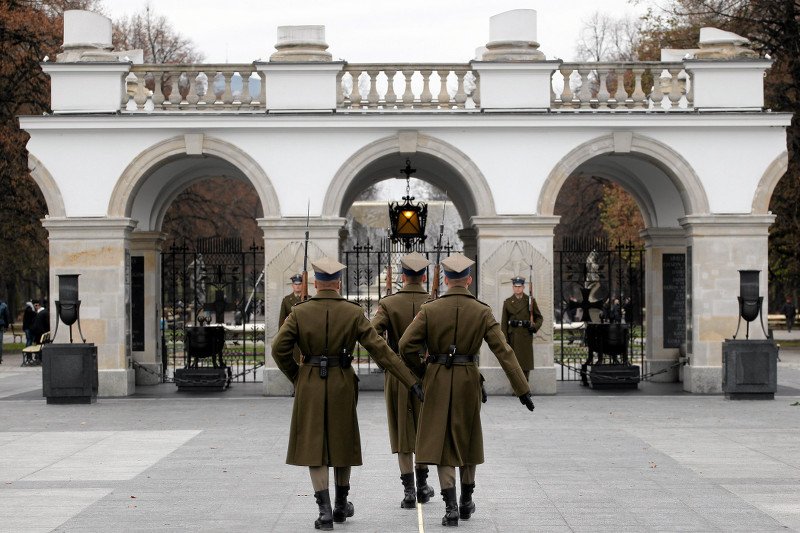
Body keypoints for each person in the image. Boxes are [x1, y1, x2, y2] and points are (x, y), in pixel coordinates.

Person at [271, 256, 424, 531]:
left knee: (315, 447)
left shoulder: (300, 311)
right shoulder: (353, 312)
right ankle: (341, 504)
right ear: (338, 283)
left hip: (310, 383)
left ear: (316, 283)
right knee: (341, 441)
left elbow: (278, 348)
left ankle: (324, 511)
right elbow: (381, 350)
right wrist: (410, 380)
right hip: (341, 381)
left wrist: (298, 376)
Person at [398, 253, 535, 528]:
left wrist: (425, 371)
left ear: (447, 280)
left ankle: (449, 507)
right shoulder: (482, 311)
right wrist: (522, 389)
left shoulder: (430, 309)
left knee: (442, 440)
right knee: (468, 437)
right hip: (468, 379)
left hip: (437, 377)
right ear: (469, 280)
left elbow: (405, 345)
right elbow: (503, 351)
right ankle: (466, 501)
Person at [370, 252, 436, 509]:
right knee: (423, 428)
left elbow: (371, 335)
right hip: (425, 373)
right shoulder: (432, 302)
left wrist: (387, 361)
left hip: (397, 375)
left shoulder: (389, 303)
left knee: (401, 430)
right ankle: (421, 486)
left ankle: (409, 491)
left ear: (402, 276)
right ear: (424, 276)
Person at [501, 276, 544, 381]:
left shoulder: (530, 301)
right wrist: (505, 340)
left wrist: (534, 327)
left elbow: (539, 317)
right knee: (514, 364)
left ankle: (525, 386)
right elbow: (504, 323)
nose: (517, 289)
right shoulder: (508, 302)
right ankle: (517, 387)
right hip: (513, 336)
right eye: (515, 286)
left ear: (523, 287)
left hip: (525, 335)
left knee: (525, 363)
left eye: (519, 286)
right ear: (513, 287)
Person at [279, 274, 305, 363]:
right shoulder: (286, 300)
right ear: (292, 285)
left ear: (303, 285)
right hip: (292, 334)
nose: (297, 286)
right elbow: (282, 320)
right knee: (293, 360)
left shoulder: (308, 299)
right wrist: (281, 336)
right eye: (296, 284)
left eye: (300, 284)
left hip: (305, 334)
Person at [30, 300, 50, 365]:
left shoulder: (41, 313)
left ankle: (38, 357)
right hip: (39, 331)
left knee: (37, 343)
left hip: (37, 331)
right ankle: (38, 357)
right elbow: (46, 324)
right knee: (38, 343)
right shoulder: (44, 313)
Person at [0, 297, 9, 364]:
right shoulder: (4, 306)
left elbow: (6, 316)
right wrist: (6, 326)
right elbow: (6, 317)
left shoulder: (3, 306)